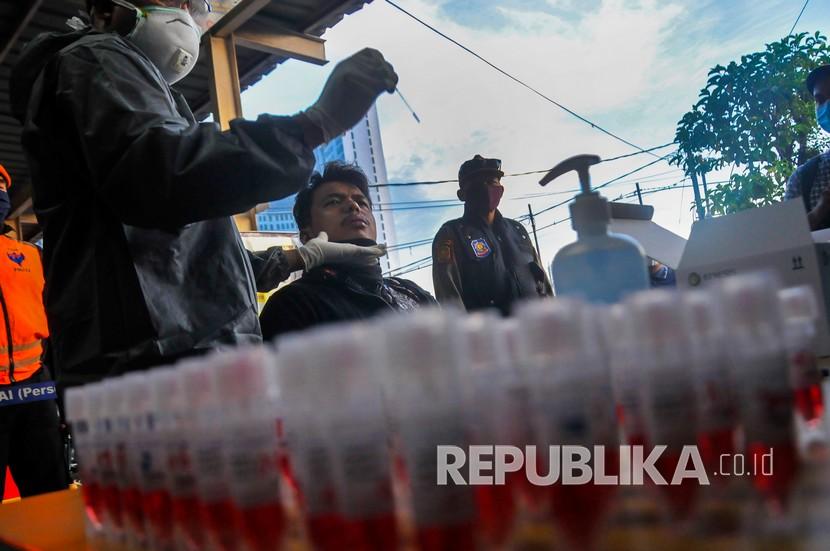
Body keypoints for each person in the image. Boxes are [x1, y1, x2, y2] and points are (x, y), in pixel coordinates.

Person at [9, 0, 397, 387]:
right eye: (172, 1)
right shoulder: (95, 59)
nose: (187, 11)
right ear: (107, 11)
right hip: (158, 361)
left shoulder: (148, 96)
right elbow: (162, 174)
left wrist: (303, 256)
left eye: (195, 4)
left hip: (169, 359)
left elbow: (203, 263)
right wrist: (312, 126)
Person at [260, 162, 435, 340]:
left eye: (362, 202)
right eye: (333, 202)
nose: (354, 206)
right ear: (307, 235)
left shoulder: (410, 291)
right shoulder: (294, 304)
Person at [0, 165, 69, 497]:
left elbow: (59, 327)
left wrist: (66, 397)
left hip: (35, 392)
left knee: (49, 494)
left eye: (0, 187)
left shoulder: (31, 255)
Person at [432, 155, 552, 315]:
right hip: (491, 336)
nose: (486, 188)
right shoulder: (451, 234)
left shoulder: (518, 230)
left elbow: (542, 282)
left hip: (536, 329)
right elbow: (449, 298)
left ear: (501, 189)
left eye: (491, 181)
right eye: (476, 184)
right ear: (461, 194)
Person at [785, 64, 830, 230]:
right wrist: (820, 210)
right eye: (820, 100)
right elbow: (786, 239)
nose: (827, 105)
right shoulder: (802, 179)